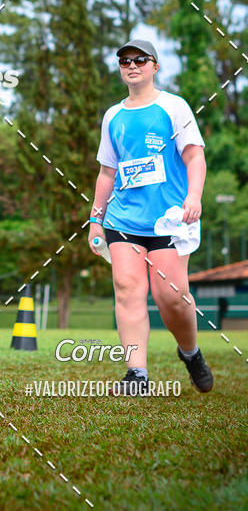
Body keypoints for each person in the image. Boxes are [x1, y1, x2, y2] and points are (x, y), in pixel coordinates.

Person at [88, 39, 213, 396]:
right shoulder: (113, 116)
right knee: (128, 289)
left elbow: (194, 157)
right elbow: (107, 173)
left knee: (170, 297)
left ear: (155, 66)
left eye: (140, 60)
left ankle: (190, 353)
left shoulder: (174, 107)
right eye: (125, 60)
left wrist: (194, 195)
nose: (132, 65)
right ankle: (137, 374)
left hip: (169, 221)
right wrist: (96, 218)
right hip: (123, 220)